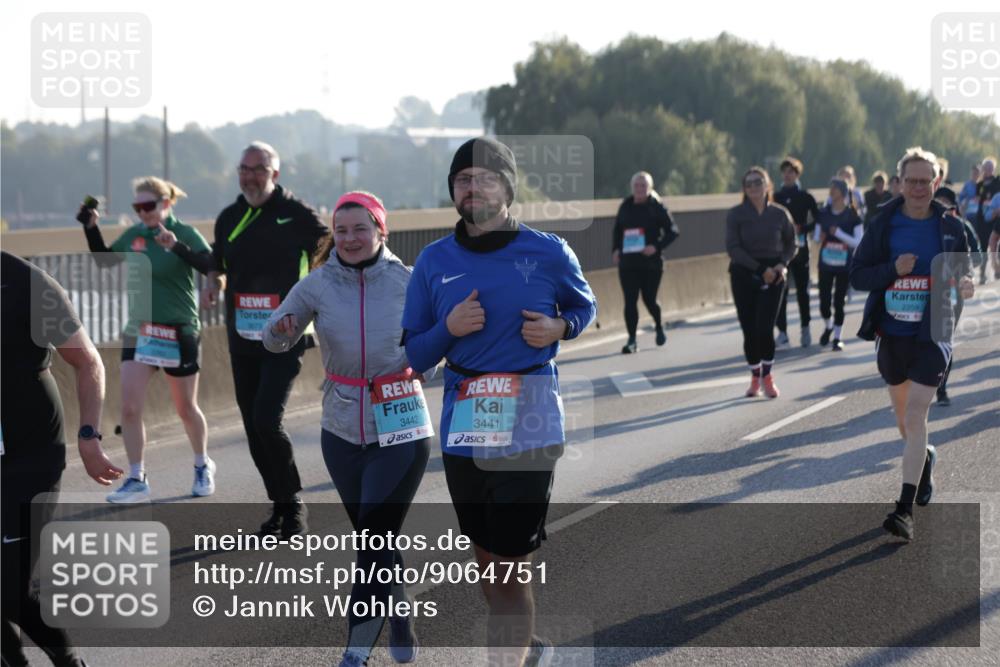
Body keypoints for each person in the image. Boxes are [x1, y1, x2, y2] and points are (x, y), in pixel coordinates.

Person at [402, 137, 597, 667]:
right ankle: (525, 648)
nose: (471, 187)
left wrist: (560, 325)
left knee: (510, 569)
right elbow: (415, 356)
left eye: (484, 178)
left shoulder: (550, 251)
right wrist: (448, 327)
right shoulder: (433, 261)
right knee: (488, 568)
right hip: (465, 424)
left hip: (530, 418)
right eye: (462, 179)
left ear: (507, 189)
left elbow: (586, 306)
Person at [264, 192, 427, 667]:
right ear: (332, 236)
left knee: (371, 541)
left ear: (382, 231)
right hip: (340, 425)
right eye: (342, 231)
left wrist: (422, 362)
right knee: (377, 538)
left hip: (399, 424)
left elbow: (435, 349)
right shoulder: (315, 285)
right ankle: (399, 611)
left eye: (361, 229)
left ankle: (354, 653)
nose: (351, 239)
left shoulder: (411, 282)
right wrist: (281, 330)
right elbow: (273, 337)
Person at [2, 251, 123, 667]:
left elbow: (87, 360)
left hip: (29, 453)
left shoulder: (26, 283)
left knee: (7, 585)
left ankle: (68, 662)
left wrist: (89, 436)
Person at [202, 141, 329, 538]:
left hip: (286, 336)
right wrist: (212, 284)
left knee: (265, 419)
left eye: (258, 169)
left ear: (275, 174)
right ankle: (278, 505)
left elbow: (333, 252)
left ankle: (293, 507)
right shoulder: (229, 217)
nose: (249, 176)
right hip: (242, 337)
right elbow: (218, 265)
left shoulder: (297, 215)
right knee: (253, 426)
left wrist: (316, 299)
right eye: (244, 168)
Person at [850, 147, 974, 541]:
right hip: (892, 335)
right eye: (912, 180)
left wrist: (965, 285)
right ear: (900, 182)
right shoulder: (883, 224)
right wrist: (893, 270)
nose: (919, 187)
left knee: (917, 416)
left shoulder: (951, 226)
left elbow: (962, 274)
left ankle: (903, 511)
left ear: (936, 184)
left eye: (926, 180)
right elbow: (858, 276)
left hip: (934, 333)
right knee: (907, 424)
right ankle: (925, 458)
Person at [78, 177, 216, 503]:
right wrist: (90, 227)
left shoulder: (184, 232)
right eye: (137, 207)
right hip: (141, 329)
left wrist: (175, 247)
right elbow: (104, 260)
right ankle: (137, 478)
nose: (143, 213)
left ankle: (201, 464)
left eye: (148, 206)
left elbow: (211, 264)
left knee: (185, 408)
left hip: (179, 327)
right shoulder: (135, 234)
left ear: (166, 204)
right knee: (128, 408)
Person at [726, 166, 797, 399]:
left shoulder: (779, 214)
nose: (754, 187)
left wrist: (782, 264)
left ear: (768, 185)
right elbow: (733, 248)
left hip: (774, 274)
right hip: (744, 274)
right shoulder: (736, 214)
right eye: (749, 184)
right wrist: (759, 269)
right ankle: (754, 376)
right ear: (744, 189)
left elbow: (791, 243)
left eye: (759, 182)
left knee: (765, 327)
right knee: (749, 330)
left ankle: (767, 376)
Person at [611, 171, 679, 353]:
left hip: (651, 263)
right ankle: (632, 340)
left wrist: (655, 247)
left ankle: (658, 325)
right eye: (637, 185)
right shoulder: (625, 205)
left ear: (650, 188)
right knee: (630, 301)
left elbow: (673, 232)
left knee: (649, 300)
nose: (639, 189)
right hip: (628, 262)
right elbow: (617, 230)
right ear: (632, 187)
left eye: (643, 186)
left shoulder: (657, 207)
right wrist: (616, 249)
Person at [772, 156, 819, 348]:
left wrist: (804, 229)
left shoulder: (805, 197)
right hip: (781, 250)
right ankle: (782, 332)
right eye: (784, 172)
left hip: (800, 249)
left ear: (797, 174)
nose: (787, 175)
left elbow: (818, 220)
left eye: (791, 171)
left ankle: (805, 328)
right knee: (781, 291)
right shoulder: (776, 197)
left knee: (802, 291)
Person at [815, 179, 864, 351]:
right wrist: (818, 237)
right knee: (824, 301)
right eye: (830, 188)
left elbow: (858, 242)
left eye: (834, 188)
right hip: (826, 263)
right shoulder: (824, 212)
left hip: (844, 264)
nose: (831, 191)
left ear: (842, 192)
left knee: (839, 302)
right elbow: (816, 236)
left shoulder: (853, 216)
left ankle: (837, 337)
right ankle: (828, 325)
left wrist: (840, 234)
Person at [971, 157, 1000, 284]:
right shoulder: (979, 184)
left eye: (990, 167)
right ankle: (982, 273)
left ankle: (997, 269)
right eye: (986, 167)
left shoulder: (997, 181)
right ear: (983, 169)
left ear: (994, 168)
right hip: (982, 218)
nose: (988, 170)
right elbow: (978, 199)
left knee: (995, 244)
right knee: (983, 246)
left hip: (996, 217)